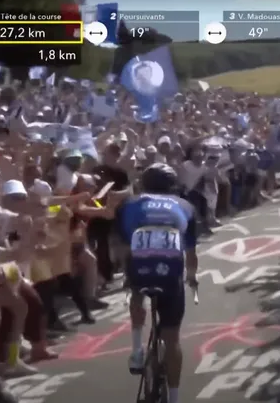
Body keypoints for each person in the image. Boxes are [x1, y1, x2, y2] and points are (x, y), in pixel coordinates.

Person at [115, 163, 198, 403]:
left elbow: (123, 247)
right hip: (170, 275)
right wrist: (192, 276)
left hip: (140, 271)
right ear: (173, 186)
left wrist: (126, 274)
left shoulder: (129, 204)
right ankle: (174, 398)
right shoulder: (186, 206)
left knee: (136, 292)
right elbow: (191, 254)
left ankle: (137, 350)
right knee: (172, 339)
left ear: (143, 184)